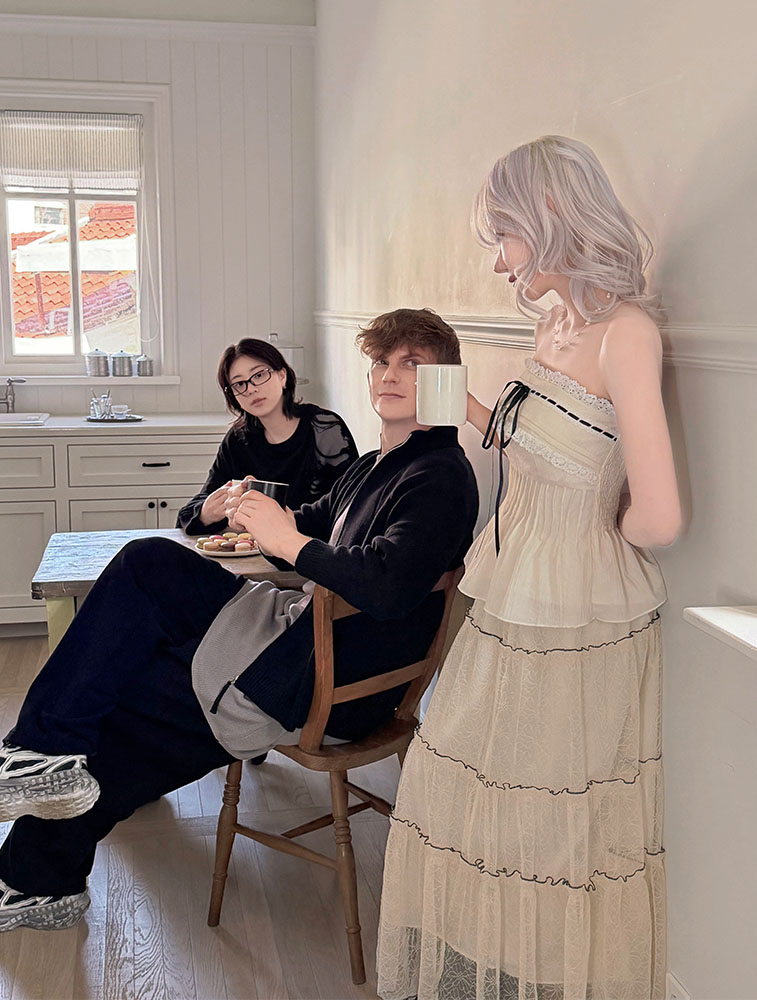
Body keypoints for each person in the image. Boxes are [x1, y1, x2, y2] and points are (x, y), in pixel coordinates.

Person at [0, 307, 478, 933]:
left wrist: (288, 542)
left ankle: (37, 876)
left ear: (445, 380)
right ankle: (39, 758)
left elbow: (388, 587)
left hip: (331, 679)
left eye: (411, 364)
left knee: (140, 693)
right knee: (148, 562)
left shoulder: (440, 476)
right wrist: (250, 511)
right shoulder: (376, 463)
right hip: (301, 632)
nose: (389, 375)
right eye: (381, 362)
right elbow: (311, 520)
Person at [377, 137, 681, 1000]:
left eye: (502, 236)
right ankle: (500, 974)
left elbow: (659, 517)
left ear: (549, 214)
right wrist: (437, 389)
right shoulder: (552, 327)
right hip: (515, 600)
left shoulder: (626, 334)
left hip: (576, 614)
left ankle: (554, 979)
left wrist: (595, 524)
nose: (497, 260)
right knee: (486, 797)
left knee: (556, 820)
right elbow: (532, 440)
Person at [176, 337, 358, 535]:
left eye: (259, 375)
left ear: (282, 376)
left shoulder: (325, 428)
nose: (251, 389)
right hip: (254, 550)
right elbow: (188, 514)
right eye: (239, 384)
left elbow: (350, 509)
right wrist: (206, 513)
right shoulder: (238, 438)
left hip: (311, 548)